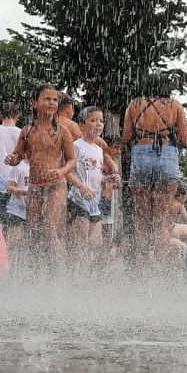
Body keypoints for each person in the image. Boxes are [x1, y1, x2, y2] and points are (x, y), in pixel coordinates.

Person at [122, 71, 187, 263]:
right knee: (161, 220)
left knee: (142, 220)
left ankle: (142, 266)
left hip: (141, 154)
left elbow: (127, 137)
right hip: (166, 155)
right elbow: (184, 139)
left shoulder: (135, 104)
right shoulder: (175, 105)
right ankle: (161, 269)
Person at [5, 84, 76, 264]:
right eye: (47, 99)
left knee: (49, 228)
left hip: (56, 185)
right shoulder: (27, 131)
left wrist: (60, 171)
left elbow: (71, 161)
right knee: (34, 233)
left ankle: (62, 274)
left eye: (54, 99)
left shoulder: (62, 131)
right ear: (34, 103)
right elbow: (18, 157)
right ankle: (38, 276)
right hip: (34, 187)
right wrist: (11, 159)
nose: (52, 103)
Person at [67, 106, 119, 261]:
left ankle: (87, 278)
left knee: (96, 243)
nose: (99, 124)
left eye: (101, 121)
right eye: (93, 120)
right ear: (82, 125)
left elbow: (94, 175)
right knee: (80, 243)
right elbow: (67, 172)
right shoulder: (76, 146)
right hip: (78, 199)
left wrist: (107, 179)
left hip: (94, 201)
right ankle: (75, 278)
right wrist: (81, 186)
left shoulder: (98, 150)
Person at [5, 158, 31, 259]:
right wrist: (26, 192)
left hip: (30, 212)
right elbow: (9, 187)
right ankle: (3, 264)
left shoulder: (39, 168)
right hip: (16, 210)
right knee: (13, 241)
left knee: (25, 244)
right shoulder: (19, 167)